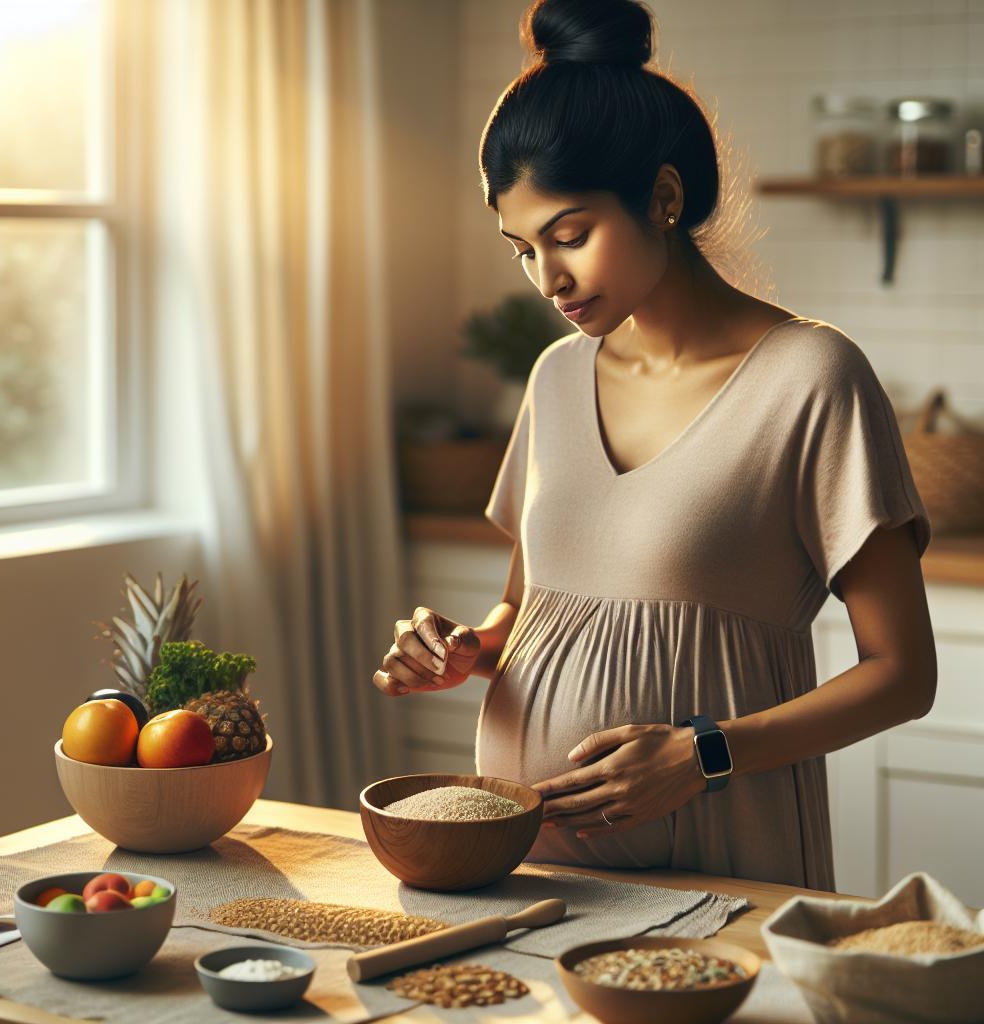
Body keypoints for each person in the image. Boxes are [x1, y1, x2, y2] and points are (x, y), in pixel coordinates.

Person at [372, 0, 936, 892]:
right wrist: (464, 650)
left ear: (663, 197)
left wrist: (701, 754)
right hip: (522, 867)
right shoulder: (556, 377)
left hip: (721, 859)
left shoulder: (811, 378)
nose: (547, 279)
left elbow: (904, 675)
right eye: (522, 248)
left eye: (569, 236)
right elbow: (530, 613)